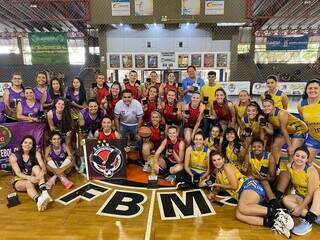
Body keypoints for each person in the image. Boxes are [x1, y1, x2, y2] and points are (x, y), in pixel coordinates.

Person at [208, 151, 294, 238]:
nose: (217, 162)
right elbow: (217, 189)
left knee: (242, 207)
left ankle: (279, 212)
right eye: (214, 160)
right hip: (243, 193)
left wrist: (217, 185)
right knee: (239, 215)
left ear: (223, 159)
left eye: (219, 159)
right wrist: (213, 193)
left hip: (249, 185)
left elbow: (234, 186)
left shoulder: (227, 167)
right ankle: (275, 224)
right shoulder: (218, 173)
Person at [282, 146, 320, 235]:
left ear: (307, 160)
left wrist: (300, 207)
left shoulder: (311, 171)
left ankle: (308, 221)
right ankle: (314, 216)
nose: (299, 158)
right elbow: (291, 183)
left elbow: (311, 194)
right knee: (285, 200)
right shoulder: (289, 166)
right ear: (293, 156)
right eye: (297, 155)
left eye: (303, 157)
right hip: (303, 197)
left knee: (318, 191)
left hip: (315, 198)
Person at [9, 135, 52, 211]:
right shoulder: (13, 156)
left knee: (36, 167)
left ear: (32, 146)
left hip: (35, 178)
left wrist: (40, 175)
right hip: (20, 180)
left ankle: (44, 192)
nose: (27, 145)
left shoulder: (36, 153)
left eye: (30, 143)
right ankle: (39, 200)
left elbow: (43, 166)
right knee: (28, 183)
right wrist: (31, 178)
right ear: (21, 144)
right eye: (25, 142)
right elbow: (18, 173)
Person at [262, 97, 308, 162]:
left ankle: (292, 169)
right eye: (264, 106)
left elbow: (284, 129)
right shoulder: (267, 116)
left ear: (273, 105)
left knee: (291, 151)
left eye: (269, 106)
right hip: (288, 130)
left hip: (299, 129)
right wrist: (264, 127)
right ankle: (276, 166)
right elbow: (272, 132)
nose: (266, 108)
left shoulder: (281, 113)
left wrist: (290, 146)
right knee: (275, 147)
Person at [242, 138, 277, 205]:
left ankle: (274, 203)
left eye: (259, 147)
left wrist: (263, 178)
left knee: (264, 181)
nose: (256, 149)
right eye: (254, 147)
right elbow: (246, 173)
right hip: (254, 178)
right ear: (251, 148)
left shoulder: (270, 157)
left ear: (263, 148)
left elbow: (272, 178)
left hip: (267, 181)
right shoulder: (248, 156)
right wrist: (244, 170)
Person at [78, 99, 106, 172]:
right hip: (85, 127)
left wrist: (98, 133)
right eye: (91, 106)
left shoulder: (102, 112)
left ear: (98, 106)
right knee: (81, 144)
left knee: (100, 142)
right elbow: (82, 128)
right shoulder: (82, 113)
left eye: (95, 106)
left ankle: (99, 159)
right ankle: (83, 162)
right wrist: (84, 139)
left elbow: (103, 125)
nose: (93, 108)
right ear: (87, 107)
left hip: (97, 127)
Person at [297, 79, 320, 163]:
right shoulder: (301, 104)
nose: (312, 90)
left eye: (315, 88)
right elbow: (303, 121)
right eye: (310, 88)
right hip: (314, 138)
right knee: (305, 162)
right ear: (306, 90)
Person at [201, 71, 223, 137]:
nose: (211, 78)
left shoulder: (219, 87)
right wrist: (203, 101)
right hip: (207, 112)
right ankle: (205, 143)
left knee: (216, 130)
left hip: (216, 112)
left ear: (215, 77)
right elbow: (201, 99)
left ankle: (216, 144)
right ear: (207, 77)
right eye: (209, 77)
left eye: (212, 77)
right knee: (205, 129)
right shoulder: (204, 87)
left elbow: (223, 99)